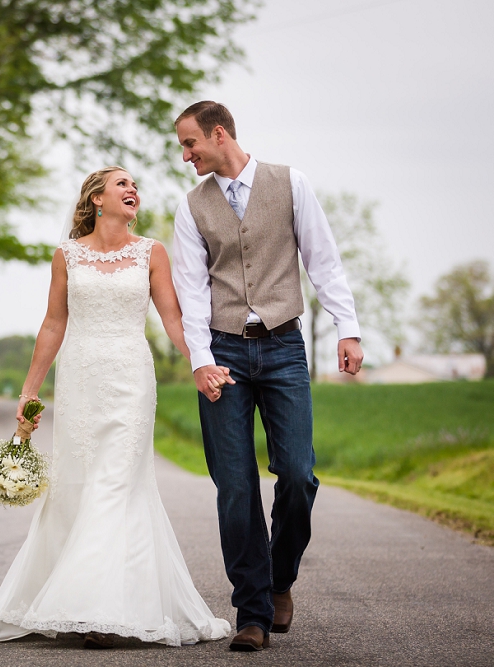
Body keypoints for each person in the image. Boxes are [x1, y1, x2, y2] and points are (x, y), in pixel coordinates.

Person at [0, 166, 232, 649]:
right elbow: (53, 324)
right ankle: (73, 598)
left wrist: (203, 365)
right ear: (97, 199)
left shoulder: (152, 252)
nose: (132, 188)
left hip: (131, 379)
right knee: (80, 484)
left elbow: (173, 318)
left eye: (134, 184)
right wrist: (30, 392)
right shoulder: (67, 256)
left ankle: (100, 608)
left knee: (117, 482)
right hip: (78, 379)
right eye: (121, 183)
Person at [170, 101, 364, 652]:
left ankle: (280, 579)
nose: (186, 156)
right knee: (234, 487)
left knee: (298, 476)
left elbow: (322, 260)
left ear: (219, 133)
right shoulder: (192, 208)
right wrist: (201, 361)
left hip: (283, 347)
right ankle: (251, 611)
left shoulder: (290, 183)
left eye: (190, 144)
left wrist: (346, 329)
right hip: (224, 352)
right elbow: (190, 291)